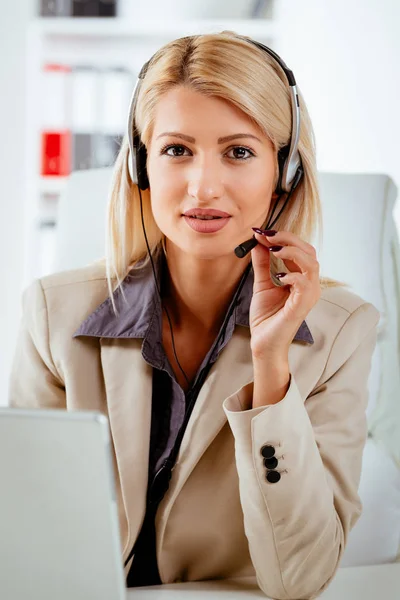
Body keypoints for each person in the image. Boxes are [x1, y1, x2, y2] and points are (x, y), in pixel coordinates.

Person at [9, 31, 380, 599]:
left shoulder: (339, 333)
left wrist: (272, 368)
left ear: (285, 173)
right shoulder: (52, 314)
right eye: (177, 150)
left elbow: (300, 578)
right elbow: (26, 537)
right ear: (141, 164)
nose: (203, 186)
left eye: (239, 152)